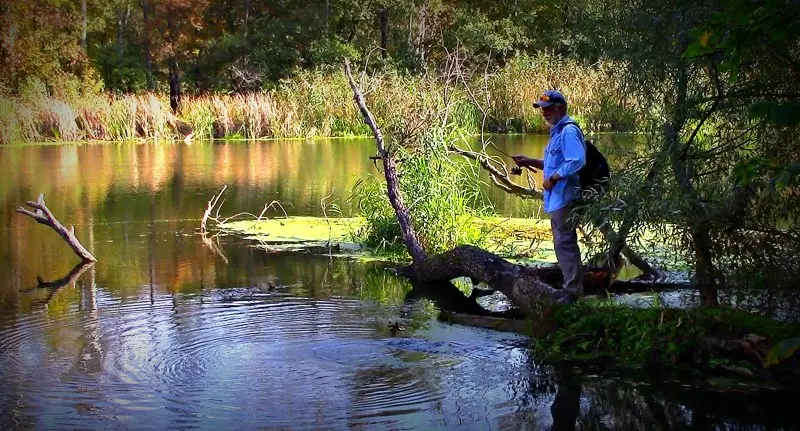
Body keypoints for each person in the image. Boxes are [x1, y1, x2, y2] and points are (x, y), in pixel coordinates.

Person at [512, 90, 586, 303]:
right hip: (558, 198)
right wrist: (529, 161)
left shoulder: (569, 132)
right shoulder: (557, 132)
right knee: (563, 242)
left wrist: (553, 179)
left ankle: (572, 293)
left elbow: (577, 161)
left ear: (561, 108)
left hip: (565, 197)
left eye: (548, 108)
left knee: (565, 243)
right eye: (542, 109)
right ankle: (570, 289)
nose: (544, 113)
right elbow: (556, 163)